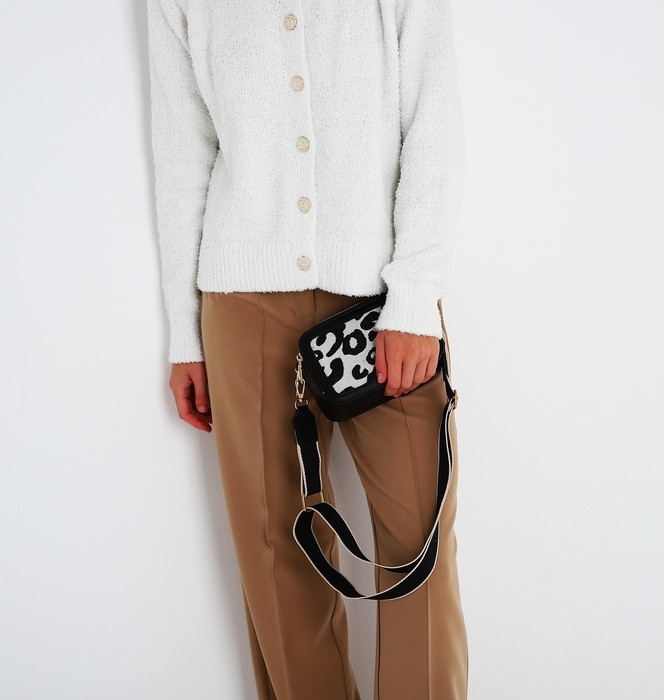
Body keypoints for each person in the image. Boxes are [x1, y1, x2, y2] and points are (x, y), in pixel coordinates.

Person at [146, 1, 468, 698]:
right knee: (277, 555)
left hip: (385, 304)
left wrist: (415, 297)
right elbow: (182, 153)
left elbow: (434, 119)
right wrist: (185, 335)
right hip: (243, 304)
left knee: (419, 545)